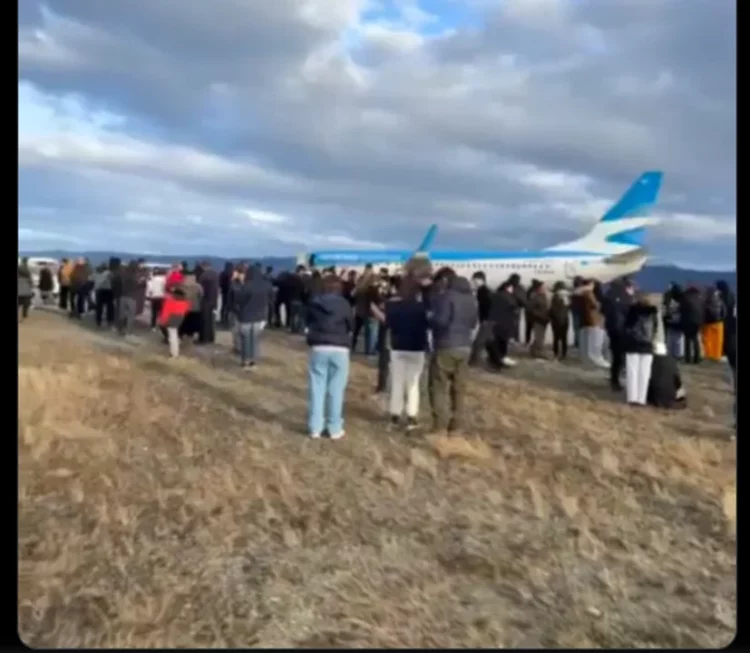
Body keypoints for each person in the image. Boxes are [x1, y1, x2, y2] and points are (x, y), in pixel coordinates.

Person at [428, 270, 478, 436]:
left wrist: (430, 318)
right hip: (465, 346)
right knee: (459, 388)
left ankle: (439, 425)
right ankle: (456, 425)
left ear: (445, 279)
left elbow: (441, 321)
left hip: (446, 345)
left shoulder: (446, 297)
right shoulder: (471, 299)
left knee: (438, 385)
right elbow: (473, 323)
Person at [305, 274, 353, 439]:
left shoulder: (314, 303)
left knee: (316, 388)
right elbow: (350, 325)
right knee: (336, 389)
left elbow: (308, 322)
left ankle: (315, 426)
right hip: (340, 347)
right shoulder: (344, 304)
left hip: (319, 346)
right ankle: (334, 427)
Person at [622, 293, 659, 406]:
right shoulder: (654, 312)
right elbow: (656, 329)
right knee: (645, 373)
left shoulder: (632, 311)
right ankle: (641, 398)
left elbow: (626, 328)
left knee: (632, 371)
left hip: (633, 345)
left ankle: (632, 398)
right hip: (647, 346)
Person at [234, 264, 273, 369]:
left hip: (246, 317)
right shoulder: (266, 285)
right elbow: (271, 298)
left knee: (245, 340)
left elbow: (239, 301)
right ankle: (253, 362)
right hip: (259, 317)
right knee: (255, 340)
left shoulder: (246, 286)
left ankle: (245, 361)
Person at [603, 278, 635, 391]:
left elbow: (603, 311)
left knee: (615, 355)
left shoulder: (608, 295)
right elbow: (630, 312)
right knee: (623, 355)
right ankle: (620, 378)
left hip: (611, 328)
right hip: (623, 329)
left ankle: (614, 379)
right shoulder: (626, 296)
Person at [646, 342, 687, 409]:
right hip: (671, 397)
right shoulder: (672, 361)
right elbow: (678, 381)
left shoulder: (652, 361)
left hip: (656, 398)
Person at [487, 281, 518, 368]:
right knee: (502, 343)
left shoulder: (493, 295)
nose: (513, 290)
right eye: (511, 288)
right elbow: (514, 309)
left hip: (494, 322)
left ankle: (494, 361)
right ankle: (501, 361)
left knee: (495, 343)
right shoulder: (508, 297)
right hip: (505, 323)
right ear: (507, 288)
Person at [158, 285, 191, 358]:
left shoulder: (170, 301)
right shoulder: (185, 302)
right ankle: (176, 347)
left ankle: (174, 353)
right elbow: (187, 310)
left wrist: (162, 321)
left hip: (171, 318)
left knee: (172, 336)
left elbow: (165, 312)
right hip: (180, 318)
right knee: (174, 334)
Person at [468, 271, 493, 367]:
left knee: (479, 342)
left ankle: (473, 362)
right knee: (488, 341)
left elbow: (486, 306)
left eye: (474, 280)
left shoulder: (483, 292)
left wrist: (485, 319)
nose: (473, 282)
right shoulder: (484, 291)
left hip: (487, 320)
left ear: (480, 280)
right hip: (487, 320)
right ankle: (495, 359)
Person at [680, 284, 704, 364]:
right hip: (698, 321)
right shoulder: (700, 298)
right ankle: (697, 358)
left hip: (687, 321)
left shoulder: (685, 298)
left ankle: (688, 358)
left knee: (687, 340)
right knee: (695, 339)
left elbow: (681, 310)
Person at [526, 280, 550, 359]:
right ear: (538, 288)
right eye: (542, 287)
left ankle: (533, 350)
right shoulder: (535, 297)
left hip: (544, 319)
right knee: (539, 337)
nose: (544, 288)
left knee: (540, 336)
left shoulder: (544, 296)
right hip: (538, 320)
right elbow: (530, 308)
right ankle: (540, 352)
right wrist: (537, 315)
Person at [701, 286, 725, 361]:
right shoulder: (720, 301)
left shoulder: (704, 301)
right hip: (719, 324)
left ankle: (708, 356)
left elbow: (702, 313)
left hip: (707, 324)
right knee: (718, 341)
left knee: (707, 341)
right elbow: (724, 313)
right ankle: (717, 356)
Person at [197, 260, 219, 345]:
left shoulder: (203, 276)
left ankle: (204, 339)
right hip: (214, 300)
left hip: (205, 300)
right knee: (211, 320)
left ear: (203, 266)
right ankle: (211, 338)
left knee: (204, 320)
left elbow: (201, 290)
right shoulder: (215, 274)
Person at [549, 281, 570, 361]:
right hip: (563, 320)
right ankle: (561, 353)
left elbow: (553, 310)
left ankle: (558, 353)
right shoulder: (563, 297)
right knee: (561, 338)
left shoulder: (557, 297)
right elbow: (566, 308)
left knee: (558, 338)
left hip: (558, 320)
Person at [662, 283, 684, 358]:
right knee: (678, 339)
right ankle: (677, 354)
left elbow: (665, 307)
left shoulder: (669, 297)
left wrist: (666, 318)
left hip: (670, 320)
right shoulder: (682, 299)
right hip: (679, 321)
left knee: (670, 338)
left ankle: (670, 353)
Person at [92, 264, 115, 328]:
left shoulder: (96, 274)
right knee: (110, 307)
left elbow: (92, 280)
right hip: (108, 291)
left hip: (99, 291)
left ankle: (98, 321)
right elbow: (113, 280)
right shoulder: (109, 273)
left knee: (99, 307)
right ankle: (109, 321)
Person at [218, 262, 234, 328]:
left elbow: (220, 283)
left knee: (224, 306)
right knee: (229, 307)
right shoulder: (232, 274)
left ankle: (223, 319)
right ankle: (226, 319)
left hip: (225, 292)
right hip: (230, 292)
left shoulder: (223, 273)